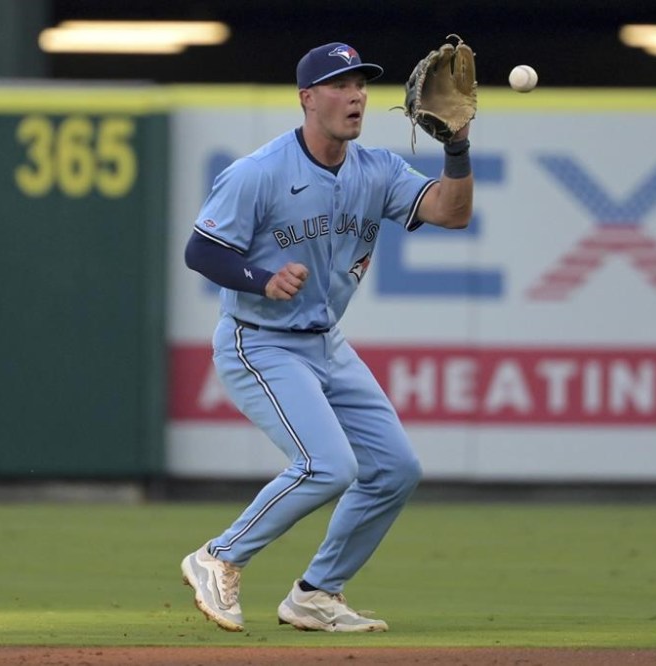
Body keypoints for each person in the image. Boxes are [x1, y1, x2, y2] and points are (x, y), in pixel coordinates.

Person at [179, 41, 475, 633]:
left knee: (395, 468)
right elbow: (201, 250)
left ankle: (316, 593)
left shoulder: (378, 170)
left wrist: (457, 147)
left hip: (326, 343)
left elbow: (452, 213)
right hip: (258, 340)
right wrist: (262, 279)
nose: (356, 95)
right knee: (328, 465)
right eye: (340, 85)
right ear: (307, 99)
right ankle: (218, 556)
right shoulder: (260, 172)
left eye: (362, 84)